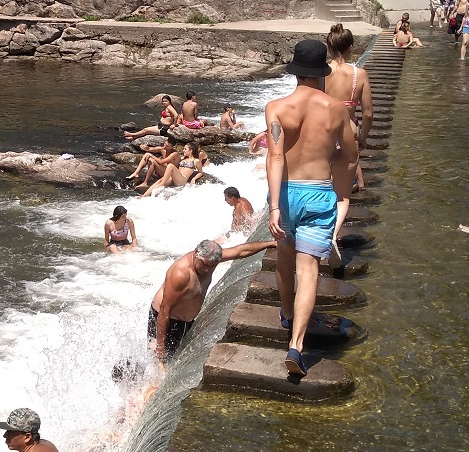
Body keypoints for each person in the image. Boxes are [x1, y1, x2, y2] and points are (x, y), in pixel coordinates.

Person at [266, 38, 358, 378]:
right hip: (318, 193)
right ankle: (297, 345)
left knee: (284, 258)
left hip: (285, 194)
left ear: (295, 71)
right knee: (308, 270)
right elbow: (350, 155)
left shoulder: (276, 107)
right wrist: (333, 170)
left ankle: (287, 314)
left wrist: (275, 207)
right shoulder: (336, 109)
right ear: (321, 71)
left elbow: (275, 156)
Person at [148, 238, 276, 363]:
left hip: (185, 321)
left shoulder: (211, 258)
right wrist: (160, 351)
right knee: (161, 363)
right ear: (196, 253)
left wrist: (269, 243)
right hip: (166, 320)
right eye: (204, 264)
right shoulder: (181, 274)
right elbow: (165, 310)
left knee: (173, 361)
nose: (207, 270)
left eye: (212, 266)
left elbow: (240, 251)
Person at [324, 24, 372, 256]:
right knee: (343, 194)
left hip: (322, 133)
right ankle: (332, 235)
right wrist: (362, 138)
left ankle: (315, 230)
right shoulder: (358, 75)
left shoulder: (320, 73)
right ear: (351, 48)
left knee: (323, 186)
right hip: (348, 133)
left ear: (329, 47)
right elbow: (369, 113)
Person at [140, 142, 205, 196]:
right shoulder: (183, 158)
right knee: (159, 181)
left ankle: (161, 186)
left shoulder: (196, 161)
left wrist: (194, 179)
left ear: (191, 150)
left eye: (185, 149)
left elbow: (200, 172)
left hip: (182, 179)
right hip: (174, 177)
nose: (183, 150)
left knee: (171, 166)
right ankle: (144, 196)